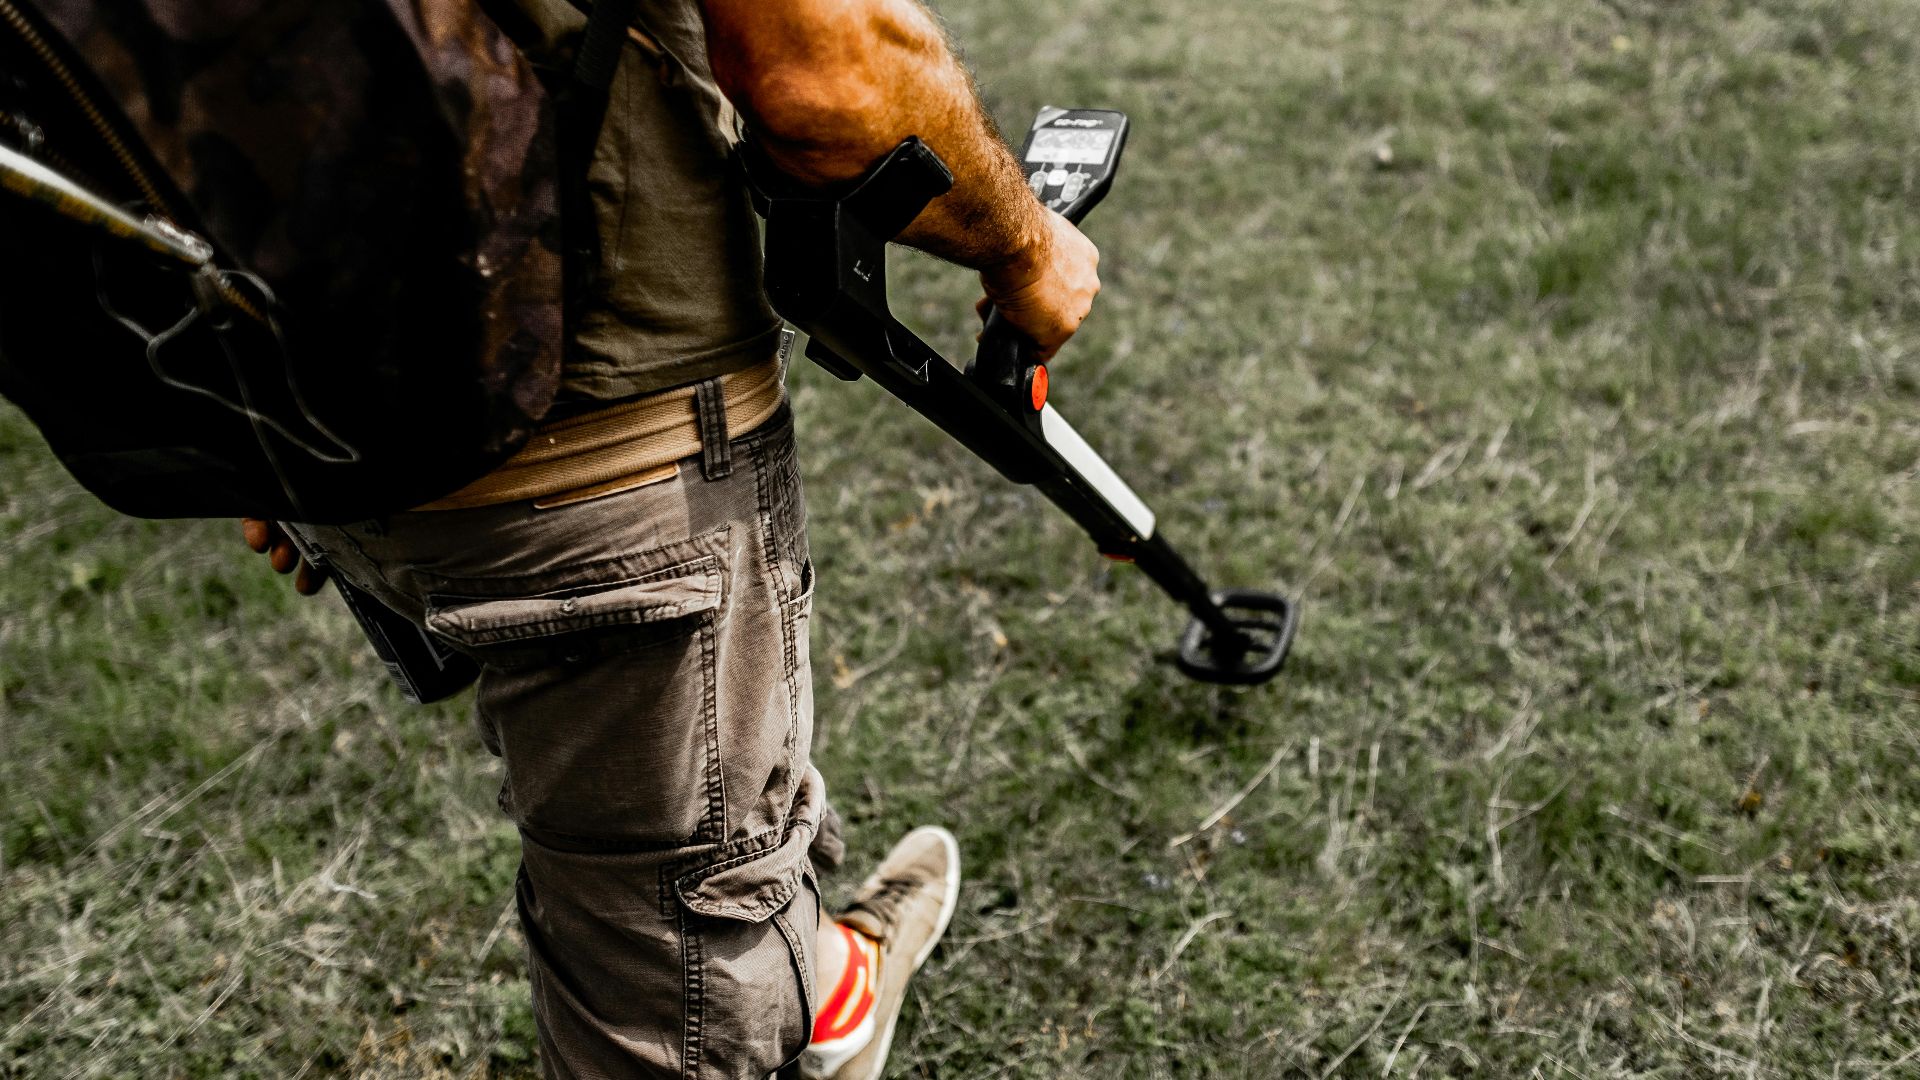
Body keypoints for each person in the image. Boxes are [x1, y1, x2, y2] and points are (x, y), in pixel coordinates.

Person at [243, 0, 1100, 1076]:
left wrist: (224, 423)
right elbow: (822, 76)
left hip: (300, 421)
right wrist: (1026, 244)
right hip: (598, 438)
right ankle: (783, 984)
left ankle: (827, 990)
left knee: (684, 841)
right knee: (658, 995)